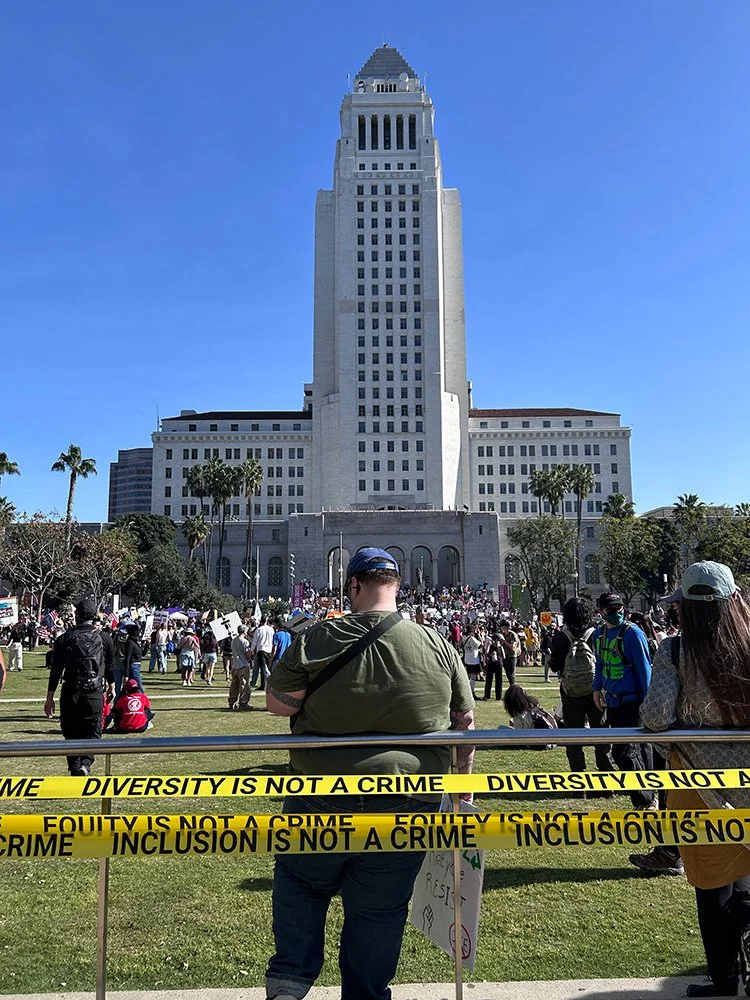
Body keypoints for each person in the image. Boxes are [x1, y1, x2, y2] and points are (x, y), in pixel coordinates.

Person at [265, 546, 475, 1000]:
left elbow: (278, 703)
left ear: (355, 586)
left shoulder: (319, 637)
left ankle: (289, 983)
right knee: (379, 911)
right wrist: (462, 787)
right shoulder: (437, 643)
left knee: (301, 882)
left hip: (320, 794)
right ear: (397, 586)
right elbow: (465, 724)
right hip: (411, 800)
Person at [639, 562, 750, 997]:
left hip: (697, 787)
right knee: (745, 870)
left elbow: (654, 718)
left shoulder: (674, 650)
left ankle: (723, 979)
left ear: (685, 607)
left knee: (710, 884)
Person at [593, 592, 655, 809]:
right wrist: (596, 689)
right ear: (601, 611)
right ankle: (649, 793)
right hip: (613, 701)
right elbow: (600, 664)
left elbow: (644, 670)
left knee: (623, 752)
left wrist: (648, 702)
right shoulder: (598, 636)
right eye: (610, 610)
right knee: (636, 749)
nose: (616, 613)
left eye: (620, 608)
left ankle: (644, 799)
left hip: (633, 701)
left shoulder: (633, 634)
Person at [45, 597, 114, 776]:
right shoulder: (105, 638)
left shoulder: (64, 639)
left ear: (76, 616)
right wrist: (112, 686)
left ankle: (75, 765)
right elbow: (110, 666)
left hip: (71, 692)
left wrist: (49, 697)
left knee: (70, 730)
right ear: (94, 616)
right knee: (93, 729)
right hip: (94, 691)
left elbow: (56, 670)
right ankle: (86, 762)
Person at [549, 597, 613, 778]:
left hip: (571, 692)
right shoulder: (598, 634)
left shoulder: (562, 637)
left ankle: (578, 777)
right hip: (596, 690)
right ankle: (606, 777)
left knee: (573, 736)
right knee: (601, 735)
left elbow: (554, 665)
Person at [228, 625, 252, 710]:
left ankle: (231, 702)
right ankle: (243, 703)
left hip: (235, 665)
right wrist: (250, 658)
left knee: (234, 685)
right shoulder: (245, 642)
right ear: (244, 631)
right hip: (243, 665)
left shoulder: (233, 640)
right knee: (244, 685)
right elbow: (247, 654)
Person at [250, 617, 275, 690]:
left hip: (261, 649)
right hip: (269, 650)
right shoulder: (271, 629)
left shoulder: (259, 630)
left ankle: (264, 684)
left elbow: (255, 641)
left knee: (263, 668)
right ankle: (256, 682)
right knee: (266, 667)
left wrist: (252, 650)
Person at [461, 624, 483, 697]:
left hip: (467, 659)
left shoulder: (464, 638)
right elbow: (480, 645)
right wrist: (479, 635)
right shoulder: (472, 638)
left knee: (468, 677)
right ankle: (471, 692)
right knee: (473, 677)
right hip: (473, 660)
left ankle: (465, 691)